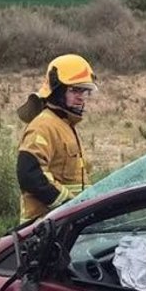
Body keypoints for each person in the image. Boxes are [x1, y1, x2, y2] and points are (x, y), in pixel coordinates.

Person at [16, 54, 96, 221]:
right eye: (74, 90)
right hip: (44, 227)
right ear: (57, 90)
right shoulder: (43, 126)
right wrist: (70, 206)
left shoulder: (65, 125)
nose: (81, 97)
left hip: (65, 224)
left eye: (84, 91)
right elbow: (30, 175)